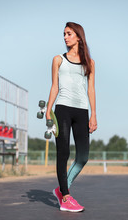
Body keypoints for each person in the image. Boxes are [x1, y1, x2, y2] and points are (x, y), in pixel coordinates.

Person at [46, 22, 97, 212]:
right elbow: (54, 86)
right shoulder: (58, 59)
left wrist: (94, 114)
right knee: (63, 152)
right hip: (63, 109)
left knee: (83, 156)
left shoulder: (89, 63)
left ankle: (60, 190)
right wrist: (48, 110)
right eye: (64, 34)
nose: (65, 37)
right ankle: (65, 197)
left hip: (82, 110)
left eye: (69, 34)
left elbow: (91, 89)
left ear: (78, 36)